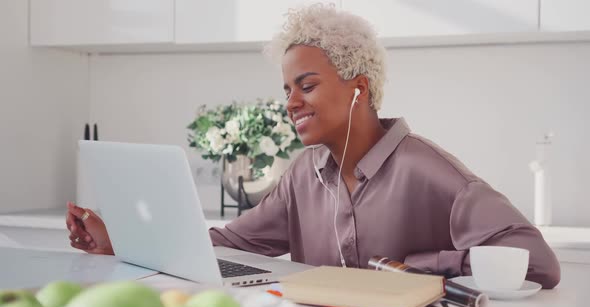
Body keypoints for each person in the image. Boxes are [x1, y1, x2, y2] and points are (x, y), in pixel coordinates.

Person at [66, 4, 560, 288]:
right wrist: (119, 241)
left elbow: (537, 260)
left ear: (358, 88)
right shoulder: (305, 173)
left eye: (306, 85)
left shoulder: (430, 172)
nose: (291, 102)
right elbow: (228, 243)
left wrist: (422, 266)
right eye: (286, 90)